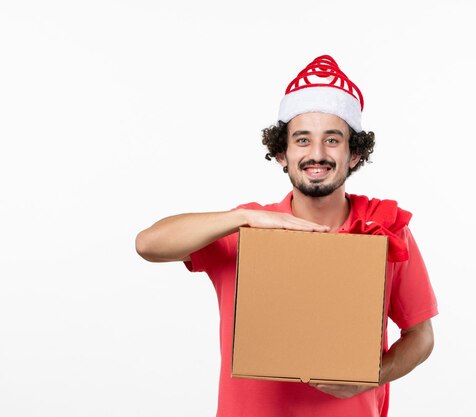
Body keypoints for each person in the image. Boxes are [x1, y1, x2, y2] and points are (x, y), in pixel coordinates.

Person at [135, 55, 438, 417]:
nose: (317, 154)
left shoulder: (383, 226)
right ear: (282, 153)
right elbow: (148, 245)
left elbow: (421, 337)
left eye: (332, 140)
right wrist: (244, 218)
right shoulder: (246, 229)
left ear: (354, 153)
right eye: (302, 140)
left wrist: (373, 376)